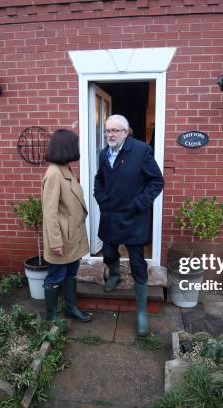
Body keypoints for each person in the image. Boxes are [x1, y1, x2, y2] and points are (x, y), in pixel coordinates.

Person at [94, 114, 164, 336]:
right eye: (107, 130)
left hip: (133, 216)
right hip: (110, 214)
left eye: (115, 130)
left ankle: (141, 313)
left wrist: (140, 203)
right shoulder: (104, 153)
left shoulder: (142, 151)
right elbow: (100, 179)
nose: (110, 134)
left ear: (126, 132)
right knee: (108, 250)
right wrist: (100, 197)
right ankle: (114, 275)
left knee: (137, 262)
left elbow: (156, 180)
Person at [42, 129, 91, 322]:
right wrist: (55, 242)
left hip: (72, 236)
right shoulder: (54, 173)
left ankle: (71, 309)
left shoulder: (65, 168)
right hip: (61, 238)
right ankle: (51, 317)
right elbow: (49, 211)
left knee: (71, 274)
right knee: (55, 277)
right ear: (67, 148)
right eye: (75, 144)